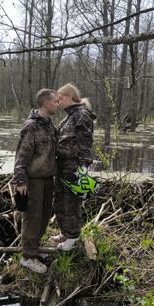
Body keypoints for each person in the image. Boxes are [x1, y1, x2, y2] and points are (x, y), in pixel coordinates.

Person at [12, 89, 58, 273]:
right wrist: (21, 182)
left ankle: (35, 249)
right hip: (33, 180)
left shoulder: (49, 124)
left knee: (45, 215)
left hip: (48, 178)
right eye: (55, 101)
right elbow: (21, 157)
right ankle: (27, 257)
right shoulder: (30, 126)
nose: (57, 104)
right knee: (32, 218)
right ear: (46, 103)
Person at [52, 83, 96, 251]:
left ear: (70, 96)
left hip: (75, 166)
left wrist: (84, 168)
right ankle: (65, 232)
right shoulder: (68, 116)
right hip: (62, 166)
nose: (58, 102)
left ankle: (73, 237)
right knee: (61, 200)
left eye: (61, 99)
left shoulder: (82, 115)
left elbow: (86, 143)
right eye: (57, 100)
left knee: (72, 202)